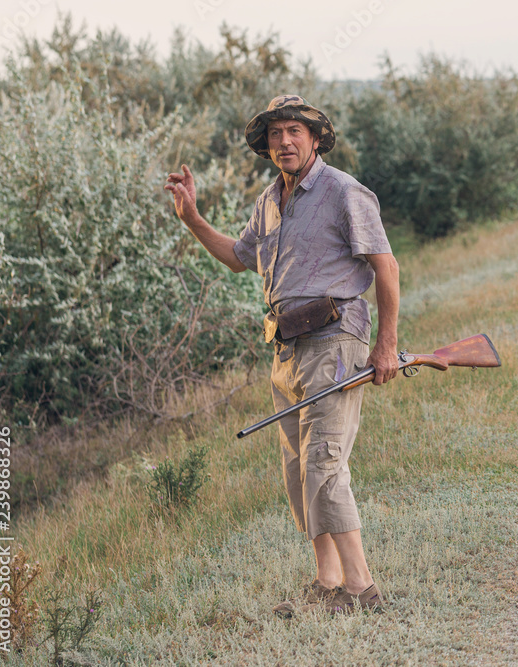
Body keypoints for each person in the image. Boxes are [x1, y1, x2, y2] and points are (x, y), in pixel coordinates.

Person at [165, 95, 399, 615]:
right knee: (297, 469)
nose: (285, 141)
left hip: (336, 340)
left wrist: (384, 346)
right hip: (286, 347)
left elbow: (387, 268)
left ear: (316, 138)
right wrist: (193, 219)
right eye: (276, 134)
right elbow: (239, 258)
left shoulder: (344, 191)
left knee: (325, 464)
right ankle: (327, 582)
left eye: (295, 131)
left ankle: (363, 591)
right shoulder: (270, 199)